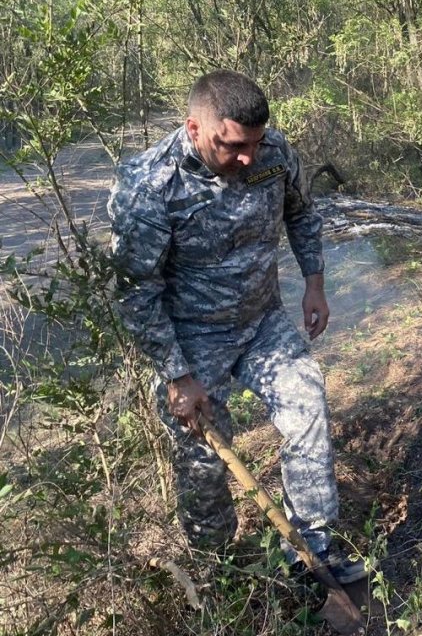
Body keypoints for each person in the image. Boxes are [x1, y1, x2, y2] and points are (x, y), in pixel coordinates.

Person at [108, 70, 366, 583]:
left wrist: (314, 284)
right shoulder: (150, 184)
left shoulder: (272, 154)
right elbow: (135, 291)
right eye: (233, 146)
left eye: (255, 142)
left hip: (263, 322)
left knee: (307, 406)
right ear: (196, 129)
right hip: (191, 341)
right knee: (203, 461)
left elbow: (302, 215)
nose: (248, 156)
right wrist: (179, 375)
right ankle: (219, 572)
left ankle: (312, 551)